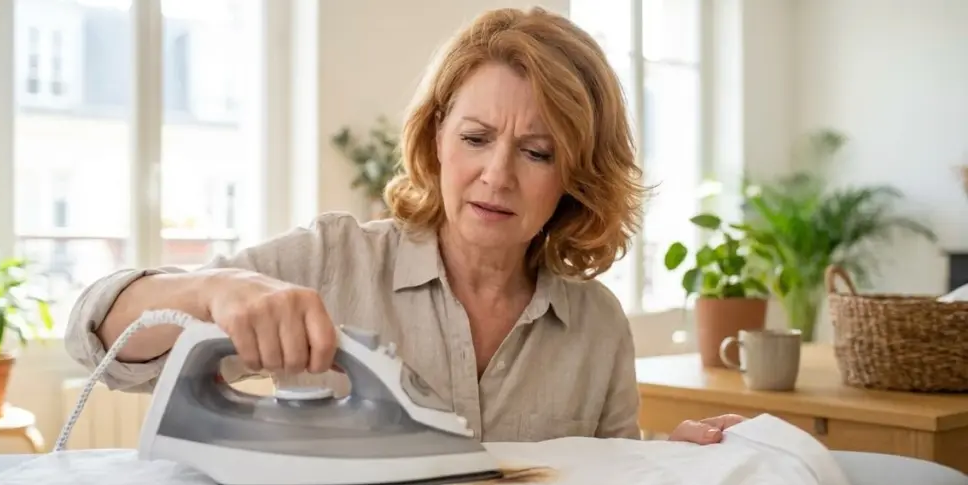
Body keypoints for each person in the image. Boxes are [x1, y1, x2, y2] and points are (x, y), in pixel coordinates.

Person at [64, 6, 744, 445]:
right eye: (477, 137)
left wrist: (663, 468)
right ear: (437, 136)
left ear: (576, 177)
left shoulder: (596, 327)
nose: (497, 175)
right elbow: (93, 334)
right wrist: (215, 290)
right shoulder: (335, 261)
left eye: (536, 153)